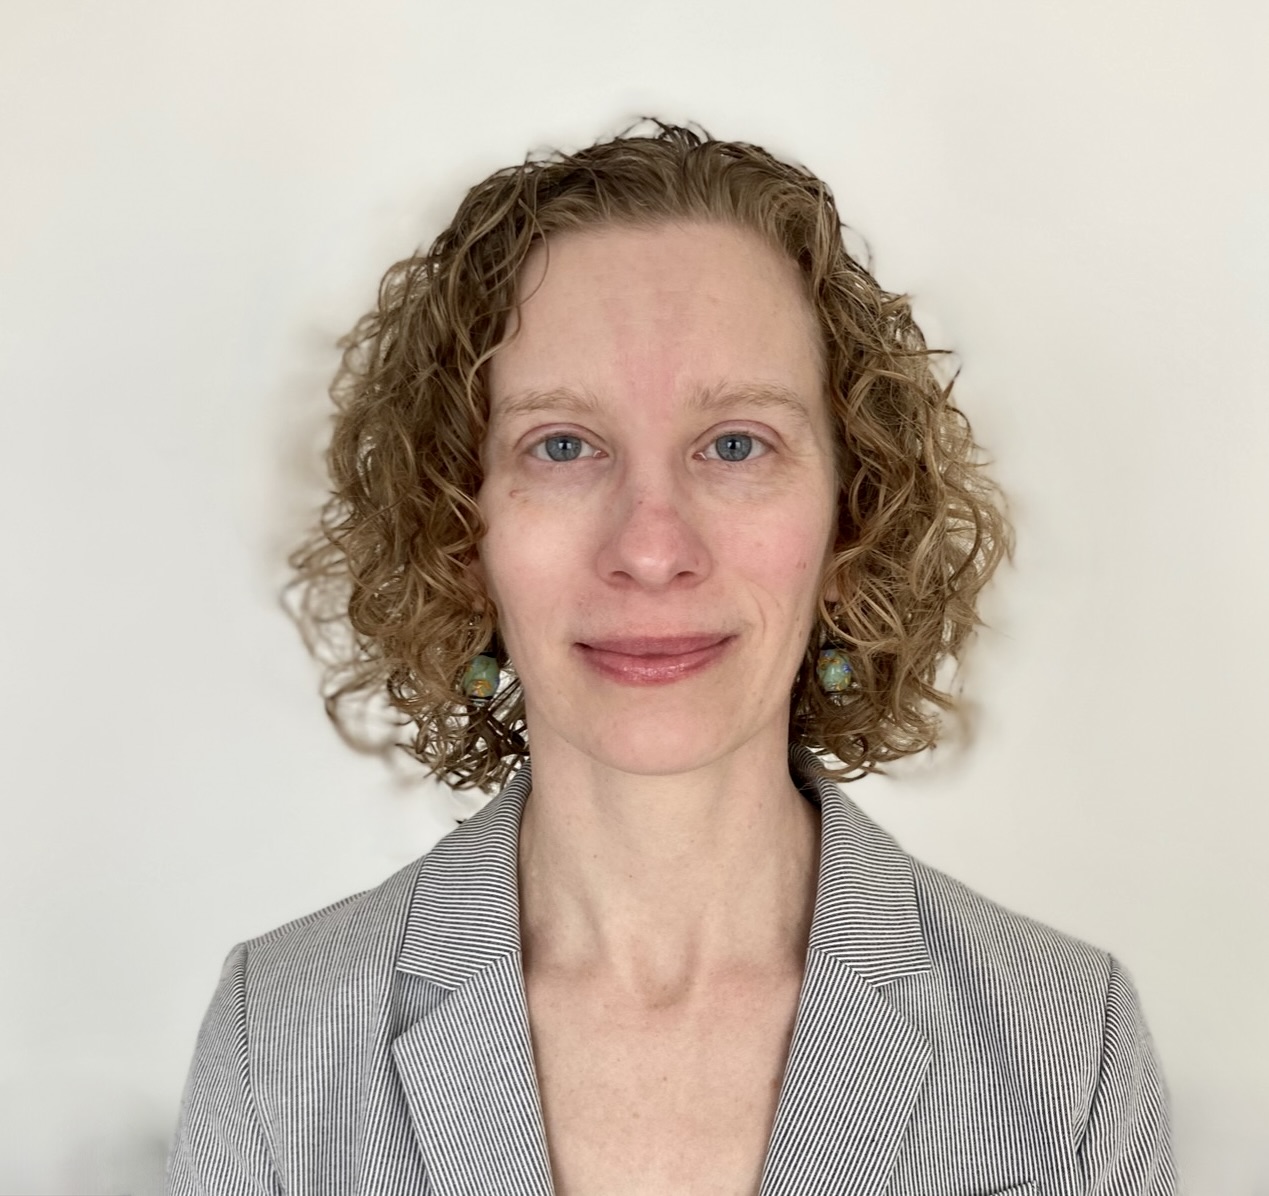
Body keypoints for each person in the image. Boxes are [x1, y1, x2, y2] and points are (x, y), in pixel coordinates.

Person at [164, 118, 1180, 1194]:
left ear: (854, 519)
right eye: (562, 445)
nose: (652, 547)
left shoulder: (1070, 1054)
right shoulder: (275, 1046)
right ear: (461, 535)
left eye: (736, 444)